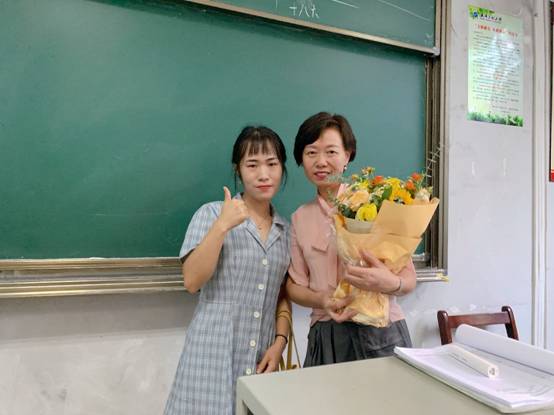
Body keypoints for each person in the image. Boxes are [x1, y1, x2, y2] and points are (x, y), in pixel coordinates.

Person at [164, 126, 291, 415]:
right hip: (211, 358)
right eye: (252, 165)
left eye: (272, 164)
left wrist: (280, 343)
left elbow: (281, 293)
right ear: (238, 170)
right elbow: (192, 281)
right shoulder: (211, 214)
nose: (263, 174)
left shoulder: (287, 231)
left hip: (260, 360)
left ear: (282, 168)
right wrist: (222, 226)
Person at [285, 112, 416, 367]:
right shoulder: (300, 218)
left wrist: (391, 283)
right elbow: (294, 286)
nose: (321, 161)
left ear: (347, 156)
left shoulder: (376, 203)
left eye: (331, 152)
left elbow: (409, 279)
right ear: (301, 158)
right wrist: (322, 300)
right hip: (327, 332)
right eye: (311, 153)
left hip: (381, 329)